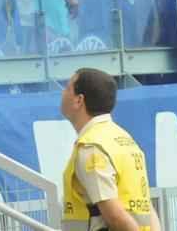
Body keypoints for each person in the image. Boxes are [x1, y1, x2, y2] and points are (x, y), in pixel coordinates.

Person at [60, 68, 159, 231]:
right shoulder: (124, 140)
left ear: (79, 100)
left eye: (67, 88)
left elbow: (115, 215)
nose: (63, 93)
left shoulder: (92, 148)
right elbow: (147, 206)